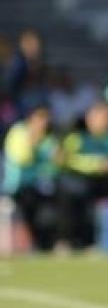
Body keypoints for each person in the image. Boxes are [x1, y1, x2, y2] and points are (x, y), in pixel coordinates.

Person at [58, 101, 108, 248]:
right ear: (90, 119)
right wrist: (98, 164)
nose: (105, 121)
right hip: (81, 179)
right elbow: (66, 160)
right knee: (71, 190)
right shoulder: (77, 138)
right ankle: (70, 241)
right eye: (101, 117)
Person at [2, 106, 61, 251]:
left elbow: (57, 163)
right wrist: (33, 143)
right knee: (28, 207)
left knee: (56, 206)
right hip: (17, 186)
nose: (43, 124)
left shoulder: (48, 138)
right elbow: (21, 158)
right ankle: (30, 244)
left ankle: (49, 243)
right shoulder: (19, 133)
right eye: (40, 120)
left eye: (46, 120)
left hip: (41, 186)